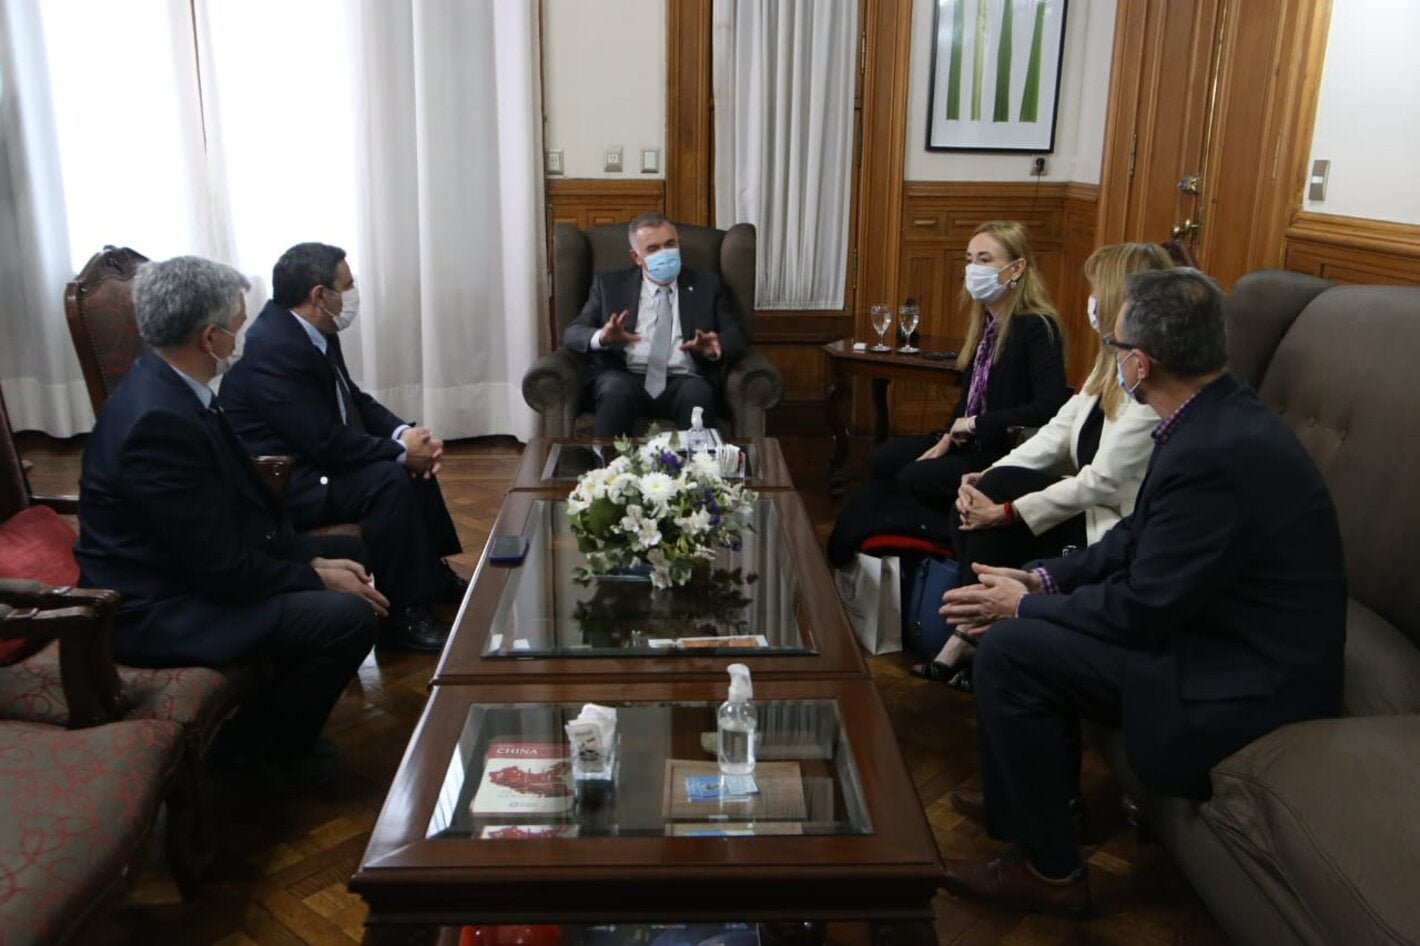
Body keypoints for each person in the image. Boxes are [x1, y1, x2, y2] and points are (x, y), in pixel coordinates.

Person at [938, 268, 1346, 917]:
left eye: (1113, 346)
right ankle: (1044, 808)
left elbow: (1145, 608)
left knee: (1015, 647)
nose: (1112, 359)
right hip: (1214, 633)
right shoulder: (1212, 413)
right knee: (1023, 631)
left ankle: (1050, 871)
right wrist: (1043, 578)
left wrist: (1025, 605)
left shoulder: (1216, 450)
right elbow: (1136, 537)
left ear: (1138, 361)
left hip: (1243, 673)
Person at [75, 255, 387, 794]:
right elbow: (220, 565)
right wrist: (315, 577)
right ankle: (257, 755)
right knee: (346, 617)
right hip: (160, 607)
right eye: (237, 326)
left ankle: (275, 716)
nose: (244, 333)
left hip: (195, 570)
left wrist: (312, 558)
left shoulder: (174, 385)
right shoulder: (156, 421)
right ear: (209, 336)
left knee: (359, 552)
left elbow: (234, 518)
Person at [914, 243, 1174, 688]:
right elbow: (1057, 431)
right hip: (1082, 504)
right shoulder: (1109, 363)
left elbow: (1102, 481)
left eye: (1096, 291)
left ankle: (968, 639)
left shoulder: (1149, 379)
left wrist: (1010, 509)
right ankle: (974, 635)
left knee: (996, 510)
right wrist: (988, 475)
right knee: (989, 490)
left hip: (1110, 523)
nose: (1089, 301)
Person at [219, 242, 463, 653]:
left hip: (313, 456)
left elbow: (353, 399)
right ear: (320, 295)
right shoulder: (274, 347)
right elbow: (323, 439)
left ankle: (430, 576)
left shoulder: (311, 329)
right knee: (388, 478)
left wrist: (405, 433)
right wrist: (399, 453)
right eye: (347, 286)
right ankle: (405, 614)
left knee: (408, 462)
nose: (353, 295)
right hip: (281, 477)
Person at [826, 220, 1068, 566]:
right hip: (967, 442)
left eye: (985, 260)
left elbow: (1049, 406)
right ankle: (886, 547)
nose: (973, 269)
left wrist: (976, 424)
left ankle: (938, 548)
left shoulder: (1037, 327)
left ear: (1015, 269)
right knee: (885, 458)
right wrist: (944, 438)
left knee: (914, 477)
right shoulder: (984, 325)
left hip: (1001, 450)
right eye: (970, 259)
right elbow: (967, 401)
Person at [563, 212, 746, 437]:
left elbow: (736, 335)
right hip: (626, 377)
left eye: (670, 244)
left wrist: (717, 346)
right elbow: (573, 333)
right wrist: (602, 337)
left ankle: (697, 471)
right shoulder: (610, 285)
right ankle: (606, 470)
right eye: (653, 249)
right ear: (636, 257)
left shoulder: (707, 285)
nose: (665, 254)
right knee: (615, 389)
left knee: (697, 393)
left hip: (683, 379)